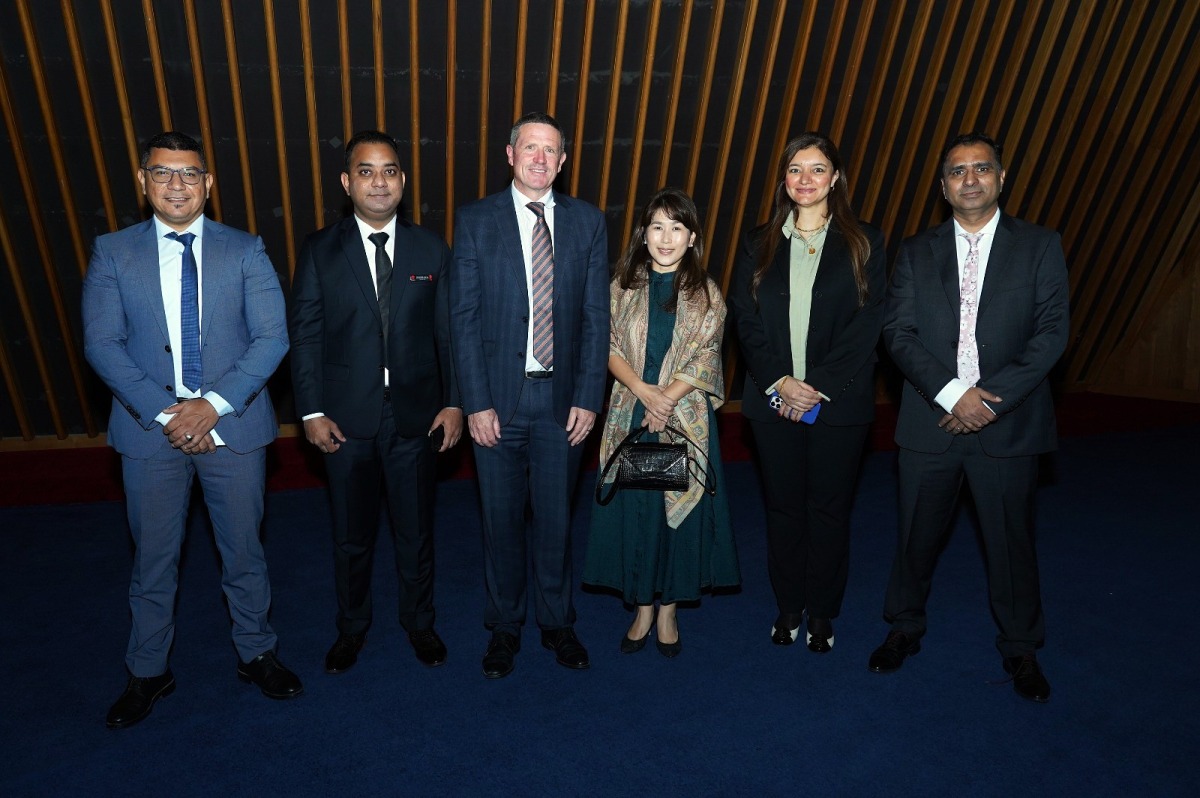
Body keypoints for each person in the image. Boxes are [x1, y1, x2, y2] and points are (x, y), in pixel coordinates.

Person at [82, 131, 301, 729]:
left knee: (245, 553)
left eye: (188, 174)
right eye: (162, 173)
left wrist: (212, 407)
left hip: (232, 427)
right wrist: (170, 414)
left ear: (208, 182)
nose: (176, 185)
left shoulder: (246, 249)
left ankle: (257, 654)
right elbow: (102, 345)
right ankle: (148, 670)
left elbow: (272, 338)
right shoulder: (113, 252)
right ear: (142, 181)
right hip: (149, 431)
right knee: (153, 561)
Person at [868, 132, 1069, 703]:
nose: (970, 179)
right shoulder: (915, 250)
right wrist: (954, 395)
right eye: (958, 171)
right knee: (915, 537)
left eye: (982, 168)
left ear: (1001, 178)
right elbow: (897, 332)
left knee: (1011, 543)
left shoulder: (1040, 245)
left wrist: (985, 400)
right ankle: (903, 627)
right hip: (930, 420)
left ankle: (1021, 647)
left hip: (1008, 423)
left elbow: (1052, 334)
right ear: (943, 187)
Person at [289, 130, 461, 674]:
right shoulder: (319, 249)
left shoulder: (431, 249)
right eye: (366, 171)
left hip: (416, 418)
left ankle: (420, 622)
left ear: (403, 181)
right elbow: (305, 337)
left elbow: (449, 335)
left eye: (389, 171)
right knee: (351, 536)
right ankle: (351, 628)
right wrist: (311, 411)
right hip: (344, 420)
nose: (378, 181)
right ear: (347, 182)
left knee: (416, 533)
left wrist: (455, 402)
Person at [450, 112, 609, 679]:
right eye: (530, 148)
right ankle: (504, 626)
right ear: (510, 154)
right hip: (496, 402)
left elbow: (596, 317)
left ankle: (558, 622)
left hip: (563, 404)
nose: (540, 159)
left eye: (551, 151)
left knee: (556, 521)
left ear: (562, 162)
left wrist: (589, 396)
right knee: (499, 522)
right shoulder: (475, 220)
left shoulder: (588, 222)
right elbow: (463, 318)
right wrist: (475, 402)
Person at [728, 132, 886, 654]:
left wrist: (815, 387)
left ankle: (822, 611)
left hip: (837, 402)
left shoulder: (865, 241)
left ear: (835, 178)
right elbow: (745, 318)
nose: (805, 179)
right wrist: (781, 381)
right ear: (784, 178)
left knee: (829, 511)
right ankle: (788, 606)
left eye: (817, 169)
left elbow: (869, 323)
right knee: (783, 510)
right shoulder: (758, 242)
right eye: (795, 169)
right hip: (772, 399)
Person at [583, 188, 740, 657]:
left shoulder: (707, 293)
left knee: (677, 519)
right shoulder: (621, 287)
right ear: (643, 234)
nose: (666, 237)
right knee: (639, 513)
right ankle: (642, 607)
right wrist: (645, 392)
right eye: (657, 227)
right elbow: (606, 345)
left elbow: (708, 356)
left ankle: (669, 607)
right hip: (632, 411)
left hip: (683, 417)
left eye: (676, 227)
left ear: (692, 237)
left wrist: (664, 399)